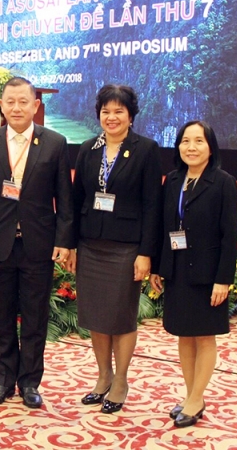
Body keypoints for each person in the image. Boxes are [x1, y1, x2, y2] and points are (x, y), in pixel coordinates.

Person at [0, 76, 74, 409]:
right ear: (1, 105)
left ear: (35, 105)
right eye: (10, 101)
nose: (16, 108)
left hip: (38, 246)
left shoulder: (55, 143)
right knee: (1, 316)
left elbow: (64, 200)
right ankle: (3, 381)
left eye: (23, 102)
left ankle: (29, 383)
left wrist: (64, 241)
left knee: (35, 316)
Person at [67, 84, 163, 414]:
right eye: (106, 111)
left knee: (121, 317)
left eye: (119, 111)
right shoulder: (87, 149)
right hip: (91, 244)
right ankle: (103, 375)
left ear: (131, 117)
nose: (112, 117)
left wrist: (146, 252)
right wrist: (71, 246)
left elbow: (153, 205)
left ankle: (121, 379)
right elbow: (76, 199)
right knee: (96, 315)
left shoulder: (146, 150)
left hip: (126, 248)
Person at [149, 120, 237, 428]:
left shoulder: (224, 182)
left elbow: (229, 236)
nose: (191, 147)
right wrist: (160, 268)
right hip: (177, 271)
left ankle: (196, 398)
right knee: (183, 335)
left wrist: (224, 279)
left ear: (210, 147)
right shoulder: (173, 181)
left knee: (204, 336)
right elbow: (164, 228)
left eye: (198, 141)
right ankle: (192, 397)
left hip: (208, 274)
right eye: (185, 141)